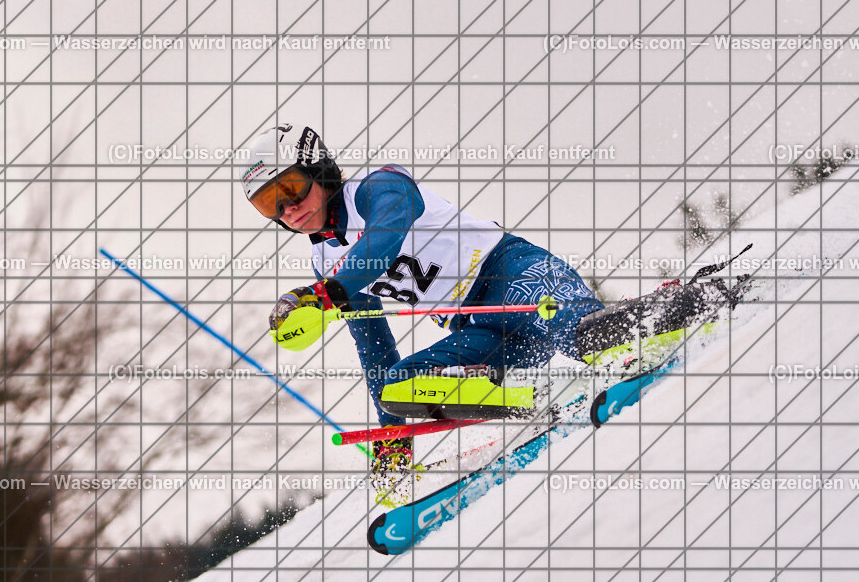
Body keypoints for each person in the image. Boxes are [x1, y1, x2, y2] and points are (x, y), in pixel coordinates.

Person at [239, 124, 604, 474]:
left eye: (291, 188)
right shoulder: (325, 263)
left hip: (516, 278)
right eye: (269, 204)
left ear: (318, 169)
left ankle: (633, 333)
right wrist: (392, 441)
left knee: (586, 334)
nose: (287, 209)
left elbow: (385, 235)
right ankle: (542, 398)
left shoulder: (377, 184)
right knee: (397, 386)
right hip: (481, 333)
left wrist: (326, 295)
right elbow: (374, 347)